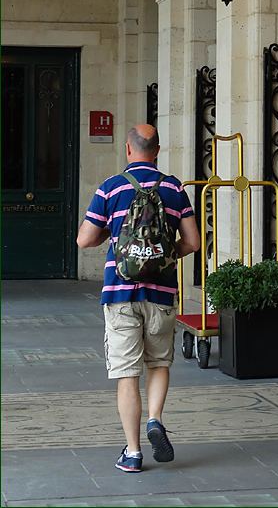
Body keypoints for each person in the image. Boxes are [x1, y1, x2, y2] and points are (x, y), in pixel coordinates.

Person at [77, 123, 200, 474]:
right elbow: (193, 242)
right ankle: (155, 420)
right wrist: (162, 254)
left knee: (126, 373)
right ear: (157, 151)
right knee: (158, 363)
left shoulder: (110, 188)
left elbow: (85, 240)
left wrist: (112, 240)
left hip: (120, 293)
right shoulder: (174, 188)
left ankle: (132, 453)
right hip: (161, 293)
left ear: (128, 151)